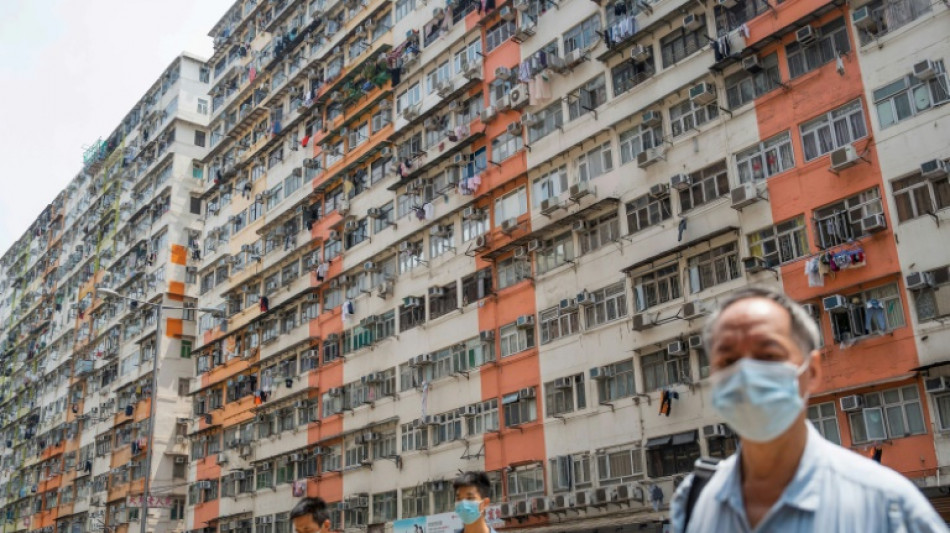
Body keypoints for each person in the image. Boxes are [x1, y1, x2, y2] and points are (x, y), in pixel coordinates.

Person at [670, 286, 947, 533]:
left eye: (769, 356)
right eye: (728, 360)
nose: (746, 374)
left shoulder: (887, 505)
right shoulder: (695, 499)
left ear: (812, 371)